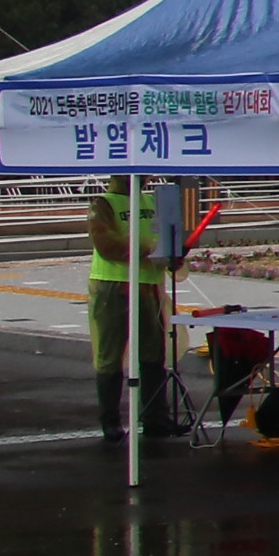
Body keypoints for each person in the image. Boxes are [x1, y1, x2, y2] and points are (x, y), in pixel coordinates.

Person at [86, 175, 190, 444]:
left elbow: (165, 235)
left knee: (154, 352)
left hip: (149, 285)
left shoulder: (151, 201)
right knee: (110, 354)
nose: (145, 177)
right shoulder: (104, 203)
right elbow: (105, 243)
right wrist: (147, 251)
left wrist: (172, 253)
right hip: (113, 284)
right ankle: (110, 420)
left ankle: (156, 417)